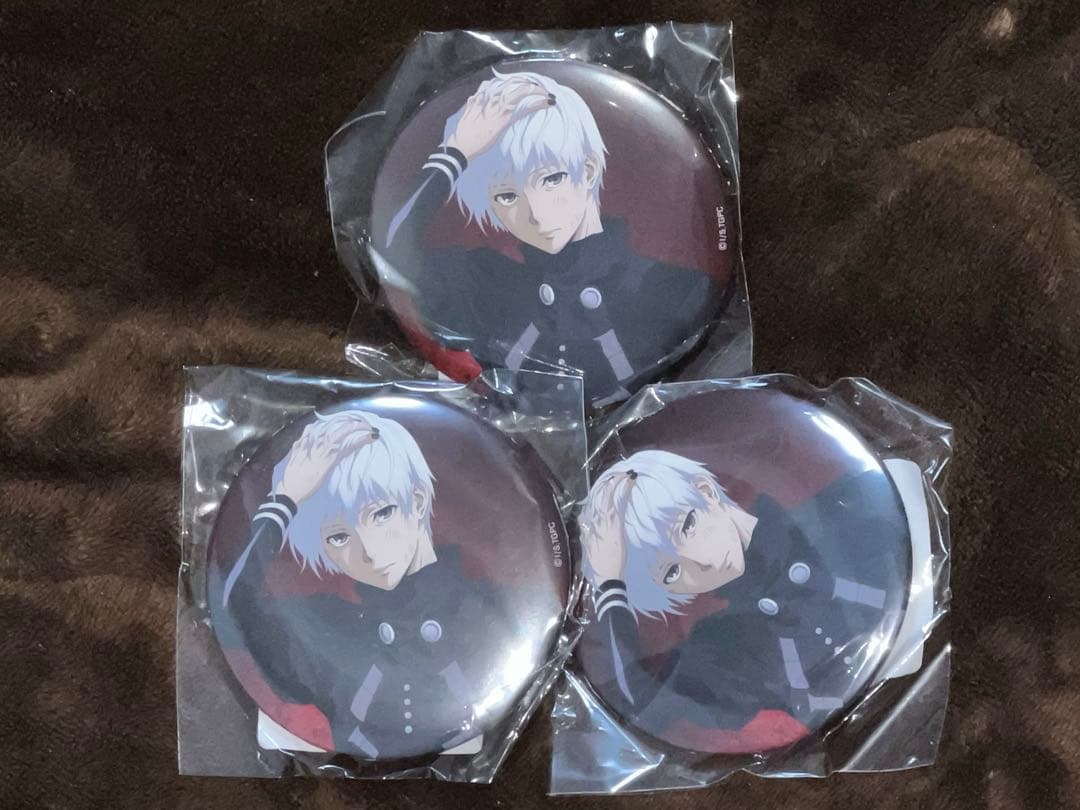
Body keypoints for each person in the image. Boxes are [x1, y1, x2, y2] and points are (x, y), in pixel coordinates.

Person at [377, 70, 717, 407]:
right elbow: (388, 255)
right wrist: (456, 153)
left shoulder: (672, 284)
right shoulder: (486, 281)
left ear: (588, 171)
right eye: (507, 196)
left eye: (551, 179)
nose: (536, 214)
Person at [578, 450, 907, 749]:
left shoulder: (831, 512)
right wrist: (610, 583)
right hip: (863, 736)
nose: (701, 561)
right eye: (671, 572)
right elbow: (637, 702)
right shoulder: (723, 646)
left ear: (705, 492)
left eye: (687, 527)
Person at [220, 410, 498, 759]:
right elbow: (230, 605)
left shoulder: (489, 609)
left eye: (381, 513)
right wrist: (285, 500)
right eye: (339, 537)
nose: (368, 550)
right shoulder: (325, 628)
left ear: (417, 501)